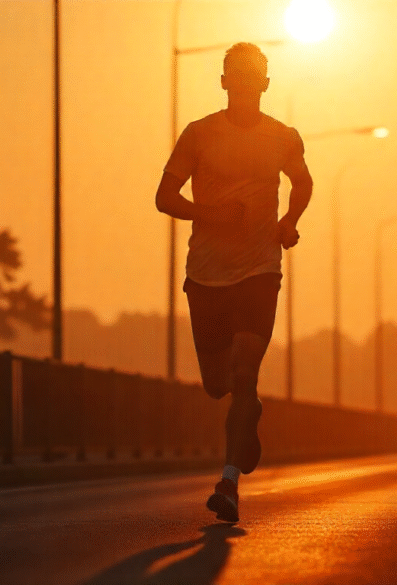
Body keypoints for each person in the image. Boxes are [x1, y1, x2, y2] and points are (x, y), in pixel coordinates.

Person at [155, 42, 313, 523]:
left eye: (254, 75)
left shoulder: (284, 137)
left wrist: (288, 221)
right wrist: (211, 214)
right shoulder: (199, 135)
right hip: (206, 275)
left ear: (266, 83)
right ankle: (249, 414)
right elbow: (164, 197)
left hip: (260, 270)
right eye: (236, 75)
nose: (245, 83)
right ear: (223, 82)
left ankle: (228, 482)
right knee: (216, 384)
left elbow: (303, 182)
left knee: (245, 374)